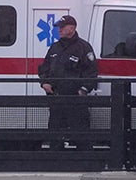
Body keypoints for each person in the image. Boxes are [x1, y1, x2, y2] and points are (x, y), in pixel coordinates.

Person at [38, 14, 97, 150]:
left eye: (62, 27)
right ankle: (56, 161)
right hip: (56, 97)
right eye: (59, 27)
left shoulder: (83, 47)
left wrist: (83, 90)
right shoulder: (55, 48)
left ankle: (85, 161)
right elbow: (44, 68)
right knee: (55, 132)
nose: (59, 30)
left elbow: (91, 72)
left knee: (80, 133)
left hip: (76, 99)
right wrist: (44, 83)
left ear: (72, 28)